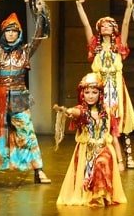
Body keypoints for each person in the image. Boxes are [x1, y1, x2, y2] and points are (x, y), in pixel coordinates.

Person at [0, 0, 52, 185]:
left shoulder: (24, 52)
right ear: (4, 33)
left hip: (19, 94)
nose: (11, 34)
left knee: (26, 132)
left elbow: (38, 36)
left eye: (14, 31)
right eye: (8, 31)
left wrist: (40, 13)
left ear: (19, 34)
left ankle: (38, 170)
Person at [75, 0, 134, 170]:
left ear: (114, 28)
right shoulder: (95, 46)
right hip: (100, 86)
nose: (106, 27)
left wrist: (129, 5)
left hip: (116, 85)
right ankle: (99, 153)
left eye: (109, 25)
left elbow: (126, 24)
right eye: (103, 25)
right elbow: (86, 25)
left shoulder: (119, 45)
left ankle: (128, 156)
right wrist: (79, 6)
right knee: (100, 117)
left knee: (120, 118)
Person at [54, 72, 127, 207]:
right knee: (87, 176)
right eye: (87, 92)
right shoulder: (82, 111)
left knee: (101, 163)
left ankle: (100, 197)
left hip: (104, 149)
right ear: (82, 94)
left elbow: (114, 138)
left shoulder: (107, 112)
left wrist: (120, 161)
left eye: (94, 92)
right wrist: (67, 111)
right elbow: (74, 112)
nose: (91, 96)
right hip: (86, 151)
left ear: (100, 94)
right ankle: (93, 197)